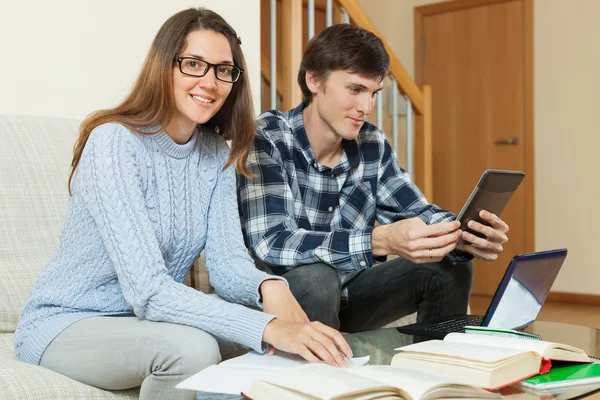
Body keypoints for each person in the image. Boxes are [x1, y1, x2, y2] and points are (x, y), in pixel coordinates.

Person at [14, 8, 351, 400]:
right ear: (165, 66)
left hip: (146, 324)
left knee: (281, 351)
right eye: (193, 64)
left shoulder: (215, 154)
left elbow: (226, 265)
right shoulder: (113, 142)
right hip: (68, 324)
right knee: (195, 349)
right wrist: (266, 327)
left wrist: (268, 286)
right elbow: (150, 290)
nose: (210, 82)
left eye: (224, 70)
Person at [237, 24, 510, 333]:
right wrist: (377, 240)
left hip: (351, 293)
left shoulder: (371, 144)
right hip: (285, 301)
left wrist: (464, 236)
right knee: (317, 278)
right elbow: (272, 243)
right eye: (355, 90)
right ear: (313, 79)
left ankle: (436, 373)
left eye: (373, 94)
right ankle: (316, 378)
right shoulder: (268, 138)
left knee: (448, 268)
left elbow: (418, 212)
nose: (366, 108)